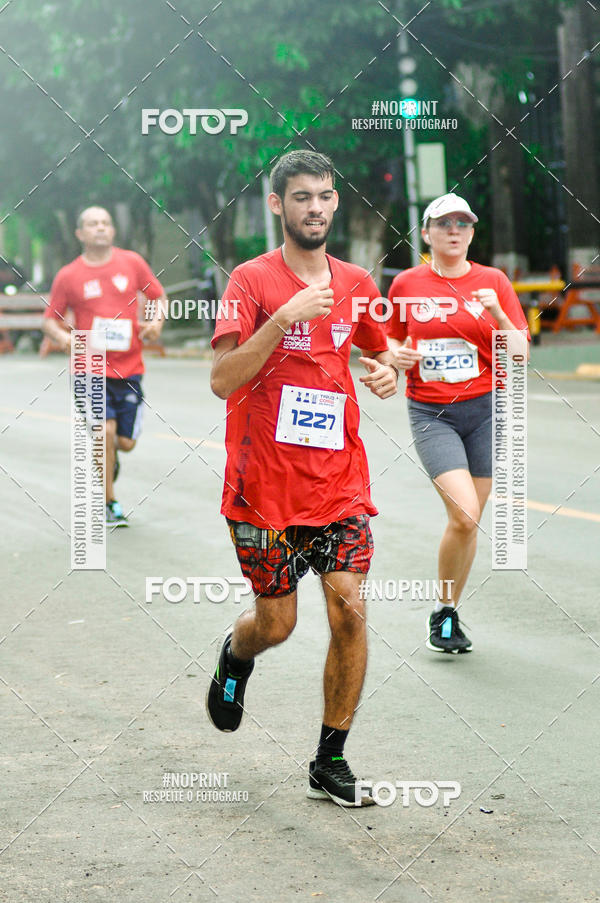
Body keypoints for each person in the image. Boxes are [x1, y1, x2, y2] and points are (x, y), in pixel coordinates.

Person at [206, 150, 398, 807]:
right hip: (264, 489)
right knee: (277, 624)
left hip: (337, 484)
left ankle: (330, 758)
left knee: (350, 607)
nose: (313, 208)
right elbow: (222, 378)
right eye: (300, 198)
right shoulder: (251, 281)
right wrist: (283, 319)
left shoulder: (354, 282)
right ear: (277, 205)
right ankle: (237, 652)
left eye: (323, 196)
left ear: (335, 202)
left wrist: (386, 370)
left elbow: (376, 349)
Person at [386, 193, 529, 654]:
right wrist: (394, 360)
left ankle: (445, 612)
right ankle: (444, 612)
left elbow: (521, 355)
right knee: (465, 512)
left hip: (487, 410)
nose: (453, 230)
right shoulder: (406, 285)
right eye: (443, 223)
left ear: (471, 233)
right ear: (426, 233)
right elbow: (386, 346)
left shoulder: (494, 281)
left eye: (462, 224)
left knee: (468, 522)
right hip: (432, 413)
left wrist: (498, 313)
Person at [43, 206, 166, 526]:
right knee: (104, 431)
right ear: (79, 234)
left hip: (129, 369)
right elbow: (50, 321)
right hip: (88, 368)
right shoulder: (68, 275)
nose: (100, 228)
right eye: (92, 224)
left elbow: (158, 296)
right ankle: (110, 503)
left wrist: (155, 323)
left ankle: (109, 459)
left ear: (112, 230)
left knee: (124, 442)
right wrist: (63, 338)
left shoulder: (132, 263)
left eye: (105, 223)